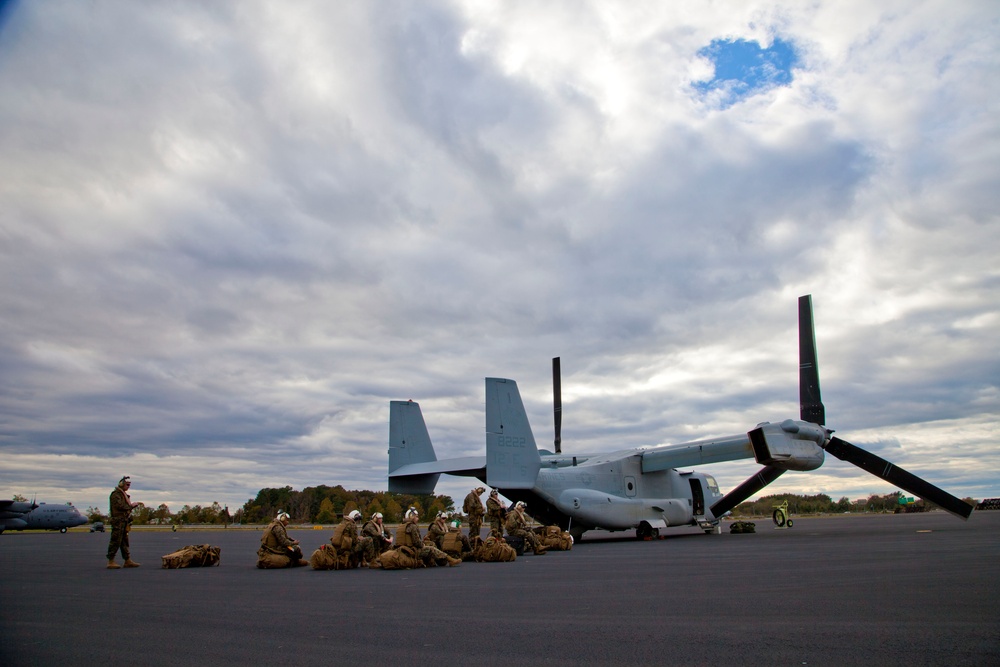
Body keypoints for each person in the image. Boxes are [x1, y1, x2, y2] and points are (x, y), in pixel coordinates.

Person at [396, 508, 460, 567]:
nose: (418, 518)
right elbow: (417, 542)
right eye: (416, 516)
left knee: (429, 544)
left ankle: (431, 561)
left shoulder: (401, 526)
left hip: (402, 550)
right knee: (431, 549)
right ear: (411, 516)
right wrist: (423, 545)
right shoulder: (412, 526)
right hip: (412, 551)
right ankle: (450, 560)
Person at [107, 475, 141, 569]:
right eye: (127, 484)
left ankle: (127, 560)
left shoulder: (123, 494)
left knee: (124, 542)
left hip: (124, 521)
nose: (128, 486)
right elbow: (119, 506)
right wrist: (131, 506)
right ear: (121, 484)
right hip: (118, 521)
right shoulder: (116, 494)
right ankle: (111, 560)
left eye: (129, 485)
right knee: (115, 541)